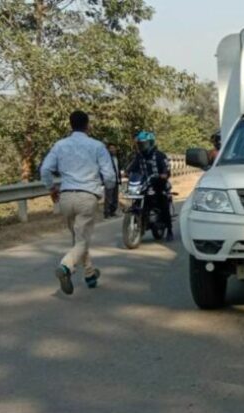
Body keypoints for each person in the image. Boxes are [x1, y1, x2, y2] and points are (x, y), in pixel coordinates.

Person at [40, 110, 116, 294]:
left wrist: (51, 189)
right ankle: (65, 266)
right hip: (87, 196)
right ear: (87, 125)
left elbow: (45, 170)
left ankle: (90, 275)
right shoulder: (97, 146)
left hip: (65, 197)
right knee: (82, 240)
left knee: (78, 239)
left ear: (70, 124)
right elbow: (110, 176)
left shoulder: (60, 145)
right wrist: (106, 189)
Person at [127, 130, 174, 241]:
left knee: (163, 204)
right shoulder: (139, 156)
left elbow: (166, 169)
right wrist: (127, 171)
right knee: (136, 200)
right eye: (140, 144)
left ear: (151, 143)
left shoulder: (160, 155)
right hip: (143, 184)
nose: (141, 146)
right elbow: (132, 167)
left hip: (159, 184)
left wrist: (164, 174)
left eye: (144, 144)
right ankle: (141, 222)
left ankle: (170, 230)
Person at [103, 143, 121, 218]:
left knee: (115, 197)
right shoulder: (106, 159)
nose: (113, 150)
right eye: (111, 148)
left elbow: (117, 169)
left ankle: (113, 211)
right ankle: (107, 213)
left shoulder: (116, 158)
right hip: (109, 180)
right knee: (109, 197)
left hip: (116, 179)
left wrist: (119, 178)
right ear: (108, 149)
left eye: (114, 148)